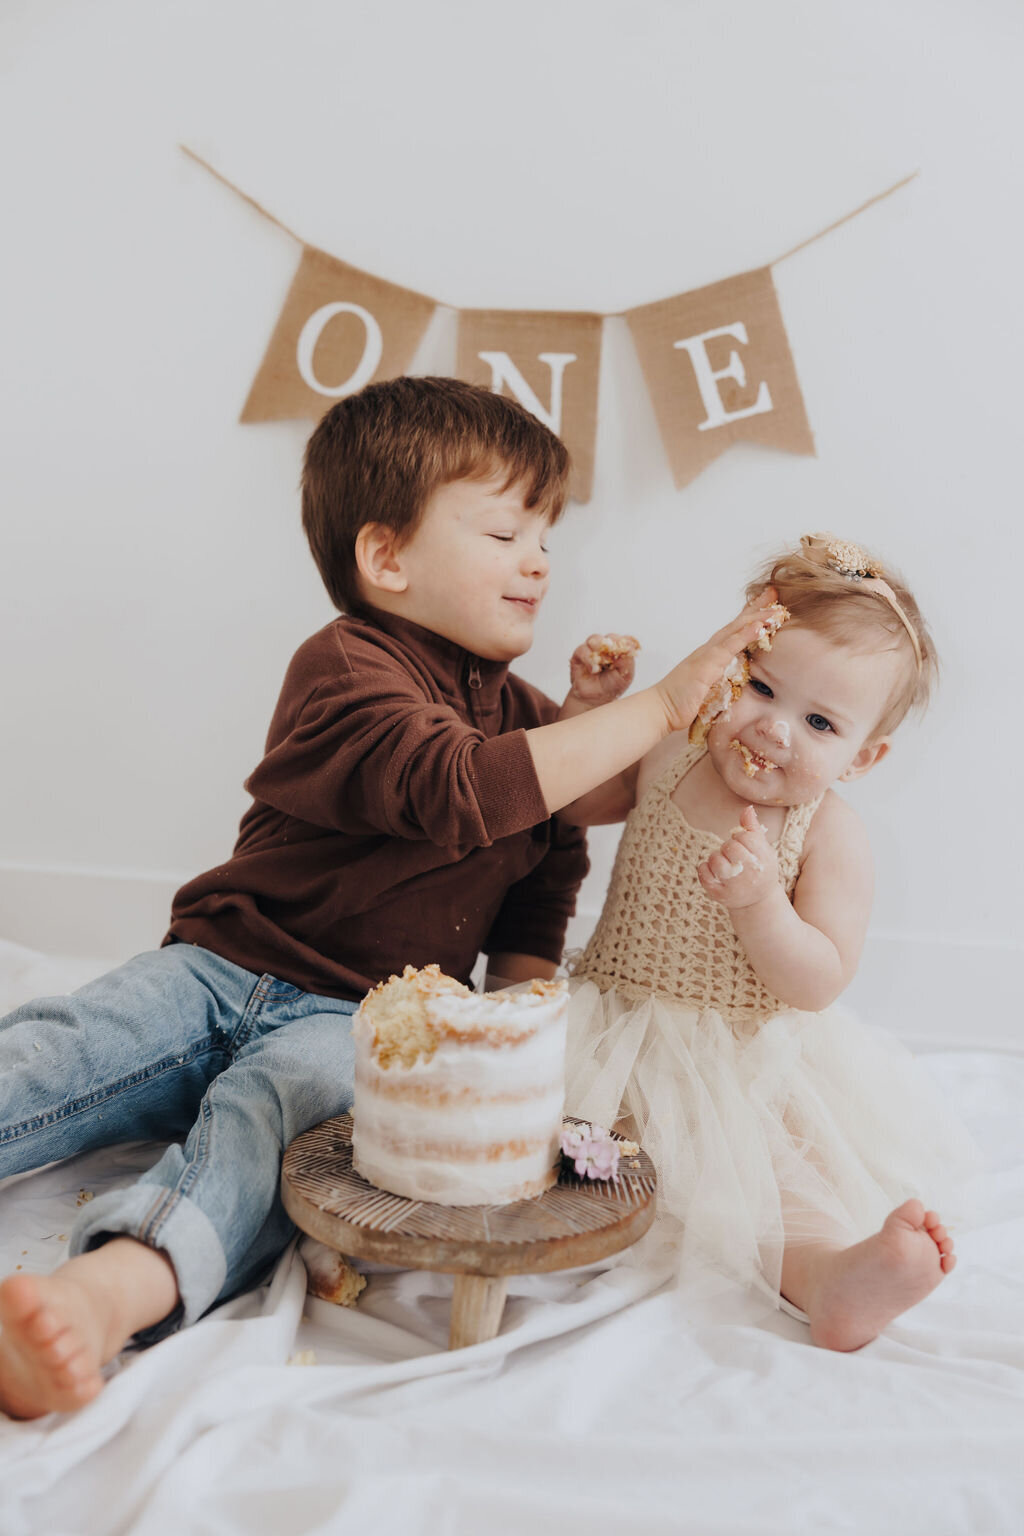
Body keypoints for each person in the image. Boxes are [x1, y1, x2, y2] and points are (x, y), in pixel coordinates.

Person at [0, 376, 775, 1419]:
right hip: (219, 965)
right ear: (387, 558)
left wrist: (519, 1016)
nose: (539, 559)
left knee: (271, 1140)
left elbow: (559, 838)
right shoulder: (345, 667)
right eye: (505, 531)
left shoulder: (519, 715)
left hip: (355, 1024)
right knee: (68, 1044)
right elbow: (462, 788)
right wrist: (658, 703)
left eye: (545, 535)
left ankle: (106, 1295)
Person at [562, 533, 981, 1351]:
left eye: (820, 721)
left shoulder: (828, 831)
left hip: (737, 1055)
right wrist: (588, 709)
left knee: (763, 1176)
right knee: (528, 1135)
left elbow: (818, 978)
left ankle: (832, 1276)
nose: (774, 729)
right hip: (611, 1026)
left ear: (863, 758)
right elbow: (575, 800)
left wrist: (761, 905)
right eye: (760, 685)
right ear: (729, 660)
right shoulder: (671, 749)